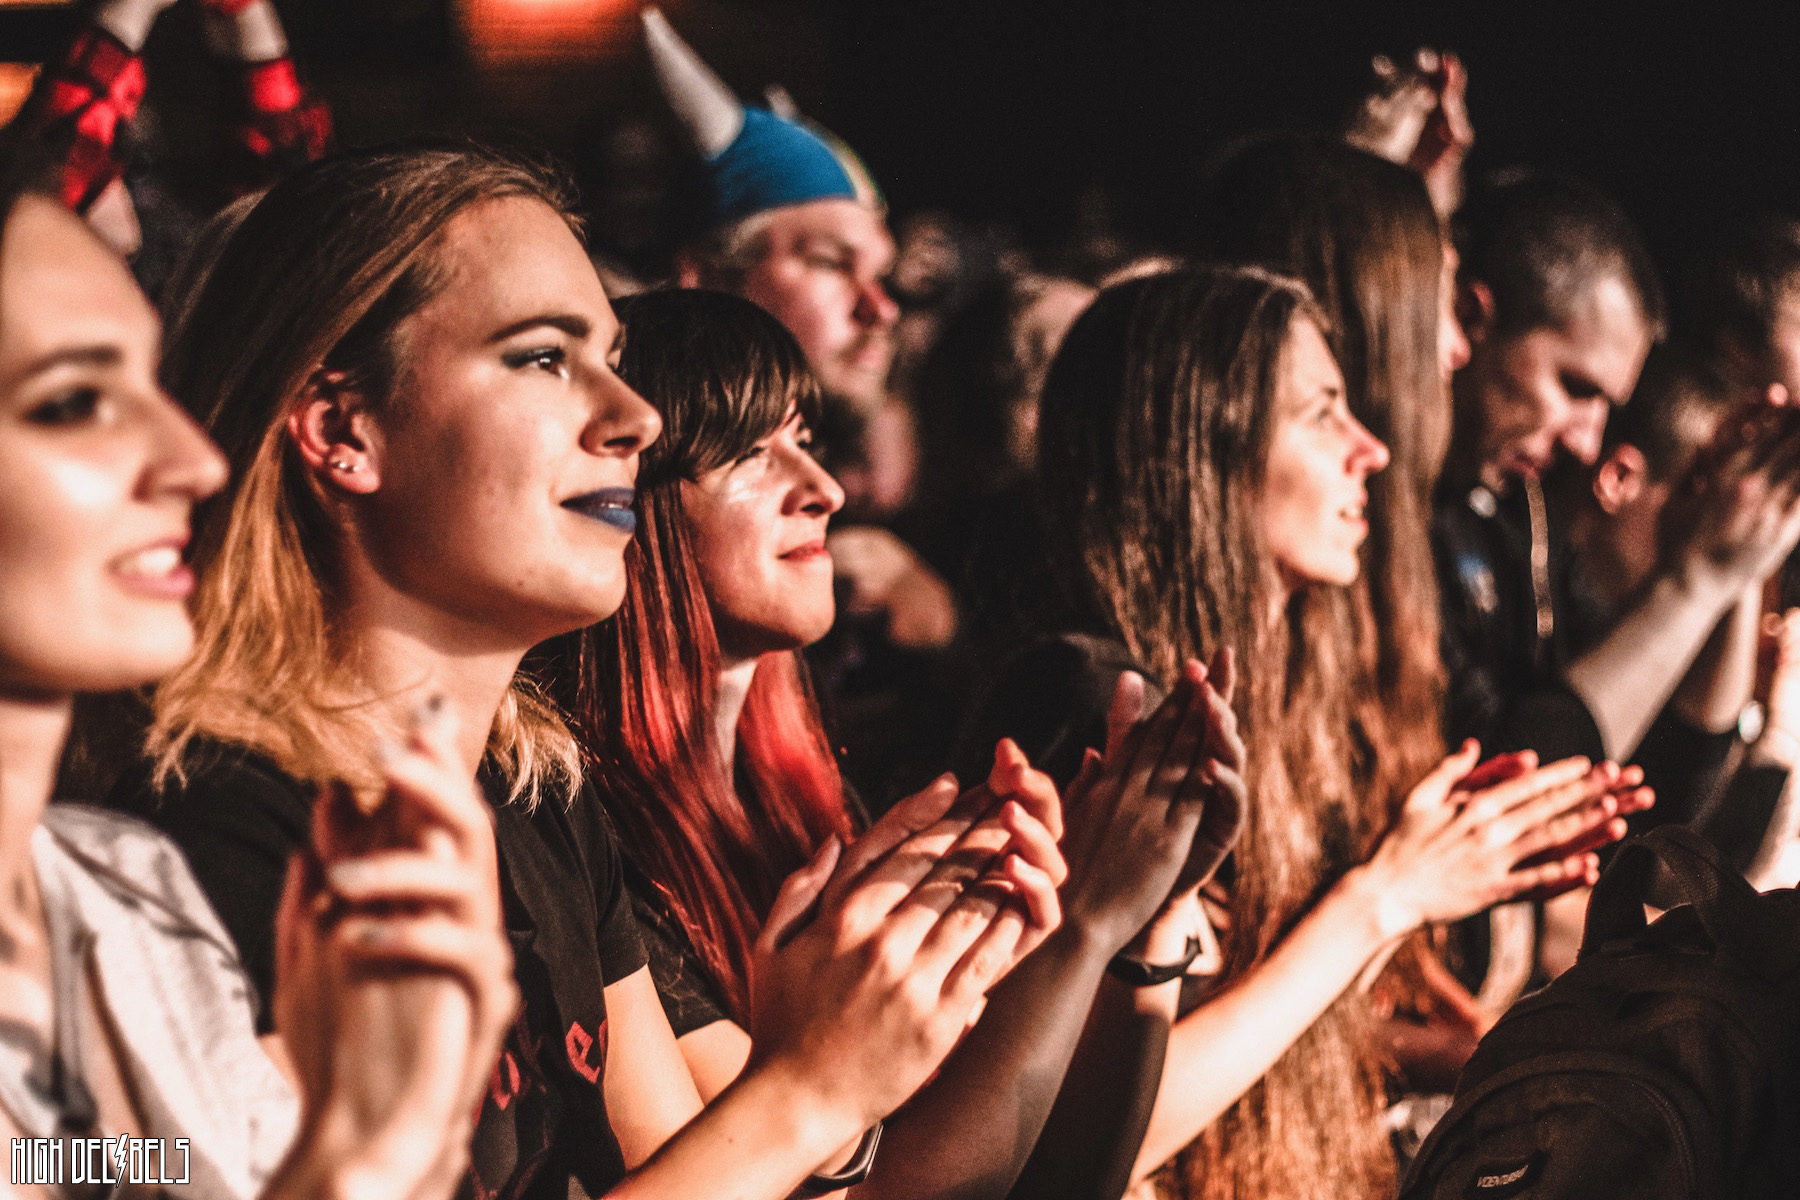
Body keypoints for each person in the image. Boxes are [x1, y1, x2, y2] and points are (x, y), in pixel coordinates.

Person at [111, 141, 1057, 1200]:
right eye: (543, 358)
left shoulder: (535, 796)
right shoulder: (206, 848)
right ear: (344, 429)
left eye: (610, 357)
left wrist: (1040, 960)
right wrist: (809, 1090)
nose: (636, 419)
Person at [540, 286, 1242, 1198]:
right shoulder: (595, 840)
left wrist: (1146, 907)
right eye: (751, 454)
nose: (823, 489)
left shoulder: (798, 795)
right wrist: (1082, 926)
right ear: (626, 497)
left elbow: (1065, 1184)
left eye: (805, 439)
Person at [959, 266, 1641, 1200]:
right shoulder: (1101, 703)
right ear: (1202, 447)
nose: (1373, 450)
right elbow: (1083, 1146)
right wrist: (1385, 897)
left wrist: (1438, 911)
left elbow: (1244, 1024)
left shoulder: (1288, 696)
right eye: (1323, 416)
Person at [0, 139, 516, 1199]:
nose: (192, 462)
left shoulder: (129, 894)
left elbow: (136, 1170)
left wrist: (397, 1133)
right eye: (72, 402)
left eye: (152, 384)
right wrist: (362, 1156)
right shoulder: (200, 848)